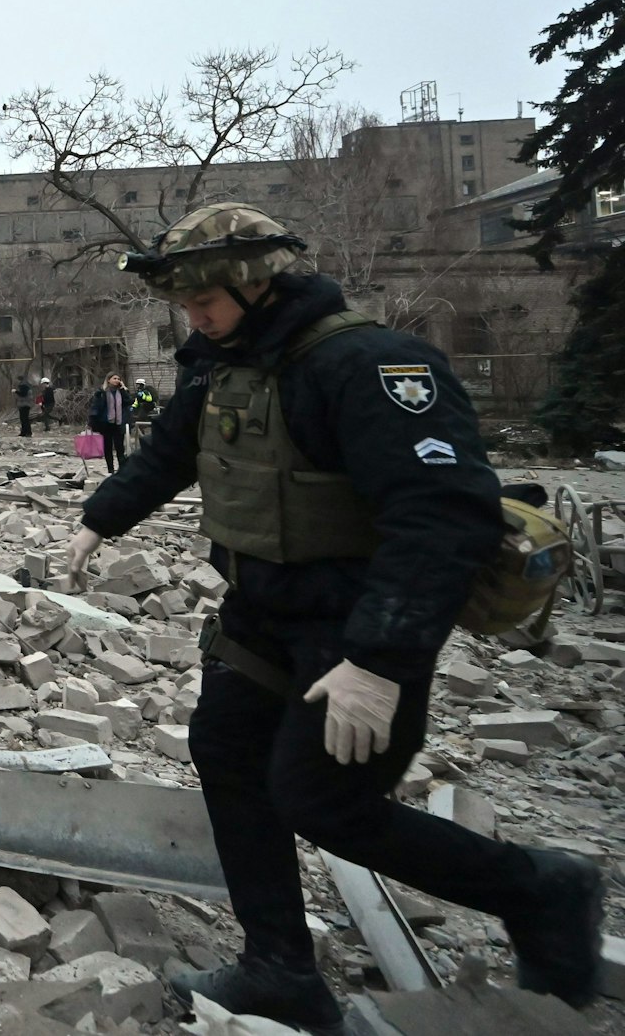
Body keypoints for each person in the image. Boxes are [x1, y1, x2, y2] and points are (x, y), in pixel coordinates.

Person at [63, 203, 604, 1032]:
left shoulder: (370, 364)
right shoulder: (221, 358)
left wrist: (380, 662)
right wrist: (101, 517)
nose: (193, 316)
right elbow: (176, 444)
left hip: (356, 626)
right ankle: (279, 969)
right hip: (263, 610)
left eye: (204, 299)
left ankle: (543, 889)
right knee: (225, 748)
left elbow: (443, 516)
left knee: (325, 802)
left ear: (257, 282)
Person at [86, 374, 129, 473]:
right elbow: (95, 407)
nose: (117, 380)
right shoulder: (101, 392)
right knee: (108, 447)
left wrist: (123, 389)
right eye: (114, 378)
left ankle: (122, 469)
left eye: (119, 379)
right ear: (108, 380)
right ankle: (110, 469)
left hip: (119, 423)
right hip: (105, 423)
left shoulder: (122, 392)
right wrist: (91, 421)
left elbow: (129, 401)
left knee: (120, 447)